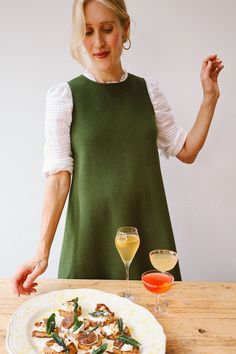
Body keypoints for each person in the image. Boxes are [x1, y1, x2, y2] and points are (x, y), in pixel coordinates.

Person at [12, 0, 224, 297]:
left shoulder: (147, 91)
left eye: (107, 29)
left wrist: (209, 98)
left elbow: (186, 150)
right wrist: (41, 252)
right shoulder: (65, 97)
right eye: (87, 32)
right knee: (88, 334)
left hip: (145, 235)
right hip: (90, 241)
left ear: (125, 29)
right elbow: (59, 178)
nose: (97, 42)